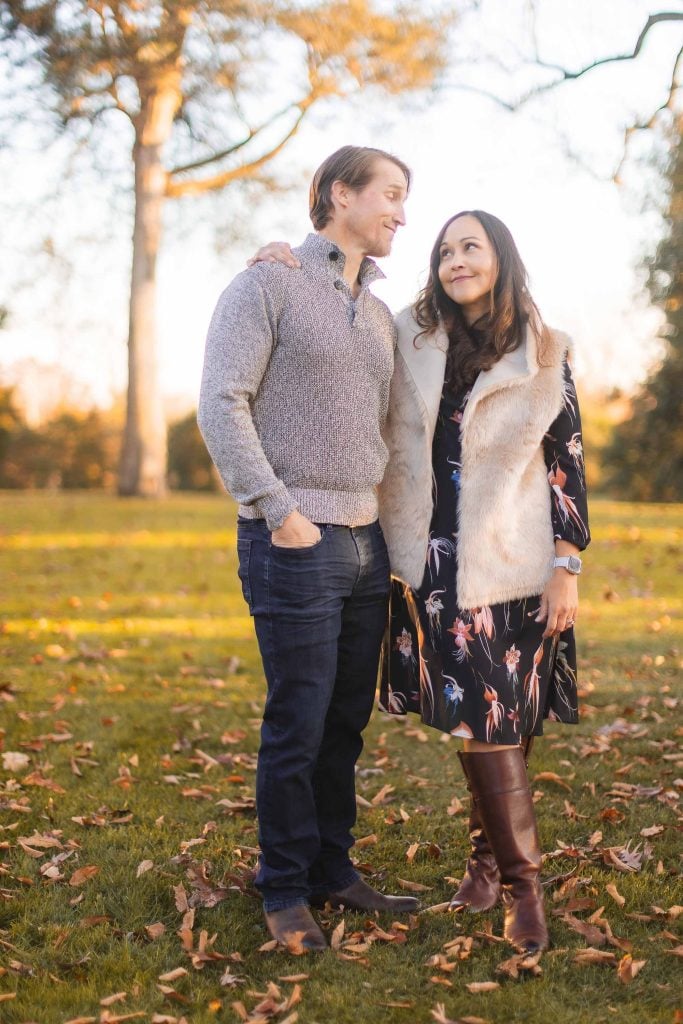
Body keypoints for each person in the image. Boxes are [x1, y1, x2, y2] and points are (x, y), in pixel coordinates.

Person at [250, 210, 589, 956]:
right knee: (478, 720)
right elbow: (334, 319)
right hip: (436, 565)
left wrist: (568, 564)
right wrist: (286, 262)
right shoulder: (407, 334)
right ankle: (513, 880)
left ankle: (497, 874)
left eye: (470, 247)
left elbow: (566, 459)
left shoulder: (543, 348)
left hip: (520, 561)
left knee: (505, 721)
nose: (454, 259)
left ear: (500, 256)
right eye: (443, 250)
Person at [197, 146, 419, 953]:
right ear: (337, 194)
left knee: (343, 722)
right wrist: (277, 509)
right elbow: (222, 401)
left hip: (365, 543)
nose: (402, 211)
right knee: (297, 720)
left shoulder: (378, 311)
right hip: (293, 538)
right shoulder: (267, 282)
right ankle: (283, 888)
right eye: (390, 194)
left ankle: (332, 869)